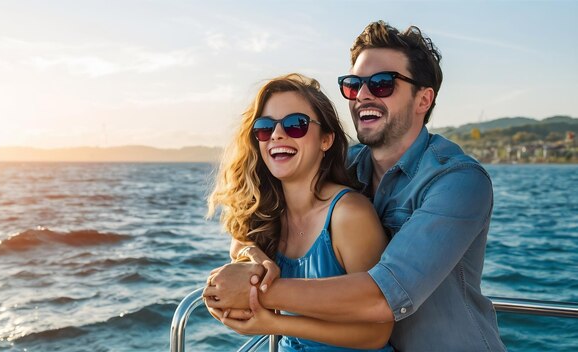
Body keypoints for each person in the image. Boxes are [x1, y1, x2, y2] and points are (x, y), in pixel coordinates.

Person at [204, 21, 507, 352]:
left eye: (381, 84)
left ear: (423, 100)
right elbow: (261, 213)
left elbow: (383, 296)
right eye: (353, 85)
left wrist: (251, 290)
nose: (362, 95)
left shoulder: (459, 181)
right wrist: (250, 255)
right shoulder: (343, 166)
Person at [204, 73, 393, 351]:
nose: (277, 135)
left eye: (296, 125)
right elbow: (240, 239)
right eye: (265, 128)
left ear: (326, 139)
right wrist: (252, 255)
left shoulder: (348, 215)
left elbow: (378, 333)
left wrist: (274, 324)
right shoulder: (268, 210)